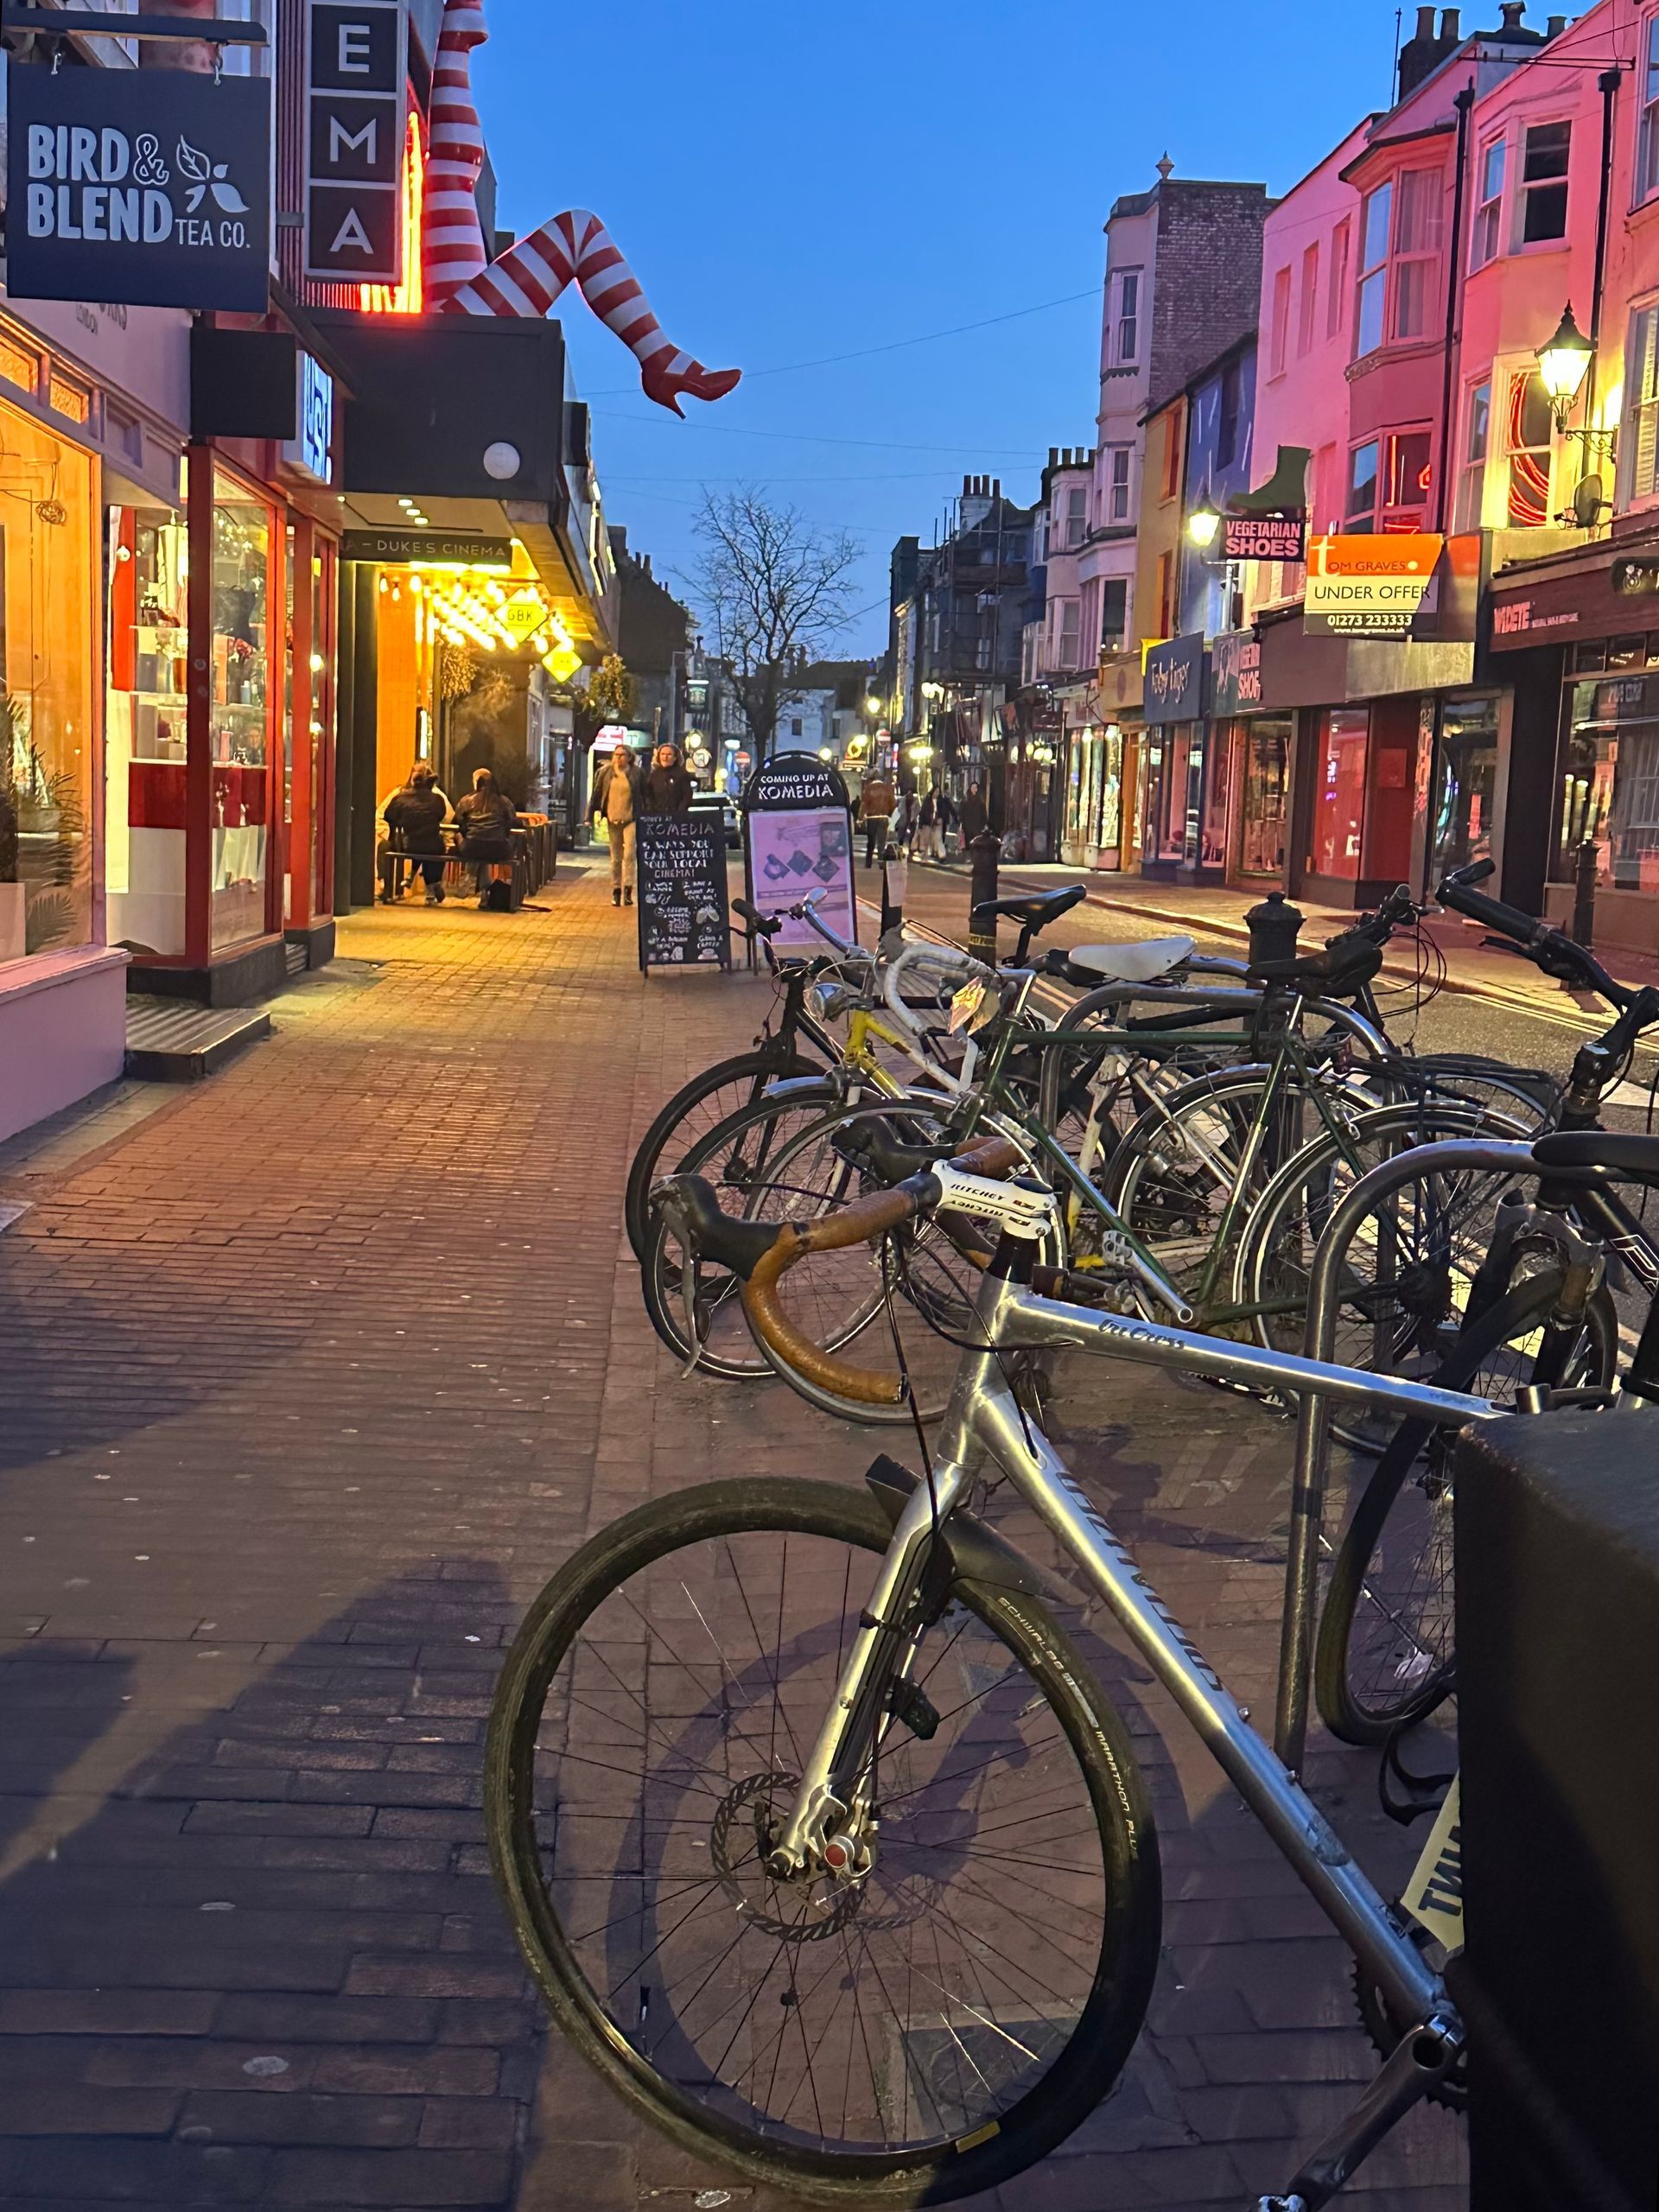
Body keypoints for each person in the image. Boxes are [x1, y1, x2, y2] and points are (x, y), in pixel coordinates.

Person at [381, 762, 452, 906]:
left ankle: (407, 878)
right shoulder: (437, 798)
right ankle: (432, 886)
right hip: (432, 845)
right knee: (435, 846)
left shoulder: (401, 796)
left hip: (408, 845)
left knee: (416, 841)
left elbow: (387, 815)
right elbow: (443, 815)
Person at [454, 766, 518, 906]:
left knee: (464, 837)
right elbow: (514, 822)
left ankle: (470, 875)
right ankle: (484, 893)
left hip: (471, 848)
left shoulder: (467, 801)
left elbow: (458, 821)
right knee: (485, 850)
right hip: (499, 849)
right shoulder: (504, 802)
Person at [591, 741, 641, 906]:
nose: (618, 758)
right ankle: (616, 890)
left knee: (629, 855)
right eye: (616, 755)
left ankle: (628, 889)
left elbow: (644, 795)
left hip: (630, 819)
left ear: (629, 757)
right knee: (616, 858)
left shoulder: (636, 774)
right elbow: (597, 793)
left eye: (622, 755)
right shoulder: (605, 773)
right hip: (613, 819)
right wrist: (590, 815)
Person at [639, 741, 693, 817]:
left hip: (677, 816)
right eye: (663, 754)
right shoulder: (654, 774)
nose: (665, 757)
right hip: (658, 816)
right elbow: (649, 795)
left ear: (675, 758)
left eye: (669, 754)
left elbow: (687, 796)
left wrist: (680, 812)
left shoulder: (682, 774)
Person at [859, 769, 895, 869]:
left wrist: (860, 817)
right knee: (882, 841)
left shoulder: (869, 788)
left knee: (871, 841)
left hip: (872, 817)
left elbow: (864, 804)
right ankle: (881, 861)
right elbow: (893, 803)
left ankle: (868, 862)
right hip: (883, 817)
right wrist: (889, 814)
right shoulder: (887, 788)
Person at [959, 780, 990, 849]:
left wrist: (985, 823)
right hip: (967, 826)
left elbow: (984, 814)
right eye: (973, 787)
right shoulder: (965, 801)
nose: (974, 789)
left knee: (976, 843)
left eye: (975, 788)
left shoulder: (981, 802)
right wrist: (961, 823)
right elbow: (962, 813)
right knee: (968, 844)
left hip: (978, 827)